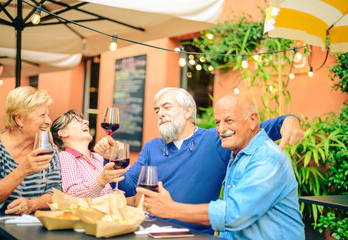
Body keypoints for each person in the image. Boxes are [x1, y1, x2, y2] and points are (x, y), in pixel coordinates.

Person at [94, 87, 304, 233]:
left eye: (167, 107)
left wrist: (290, 120)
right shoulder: (152, 147)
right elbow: (129, 187)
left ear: (188, 111)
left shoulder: (217, 138)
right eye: (157, 110)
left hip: (196, 233)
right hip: (156, 230)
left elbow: (253, 128)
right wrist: (109, 162)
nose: (160, 114)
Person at [0, 86, 61, 215]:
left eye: (48, 115)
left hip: (35, 228)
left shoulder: (48, 148)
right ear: (19, 119)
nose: (49, 121)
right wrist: (22, 171)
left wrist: (32, 204)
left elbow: (55, 192)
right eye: (42, 115)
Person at [51, 109, 125, 198]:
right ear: (63, 132)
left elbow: (125, 182)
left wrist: (118, 154)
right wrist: (101, 180)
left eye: (84, 120)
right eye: (77, 120)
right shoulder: (66, 157)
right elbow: (71, 195)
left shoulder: (98, 157)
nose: (87, 122)